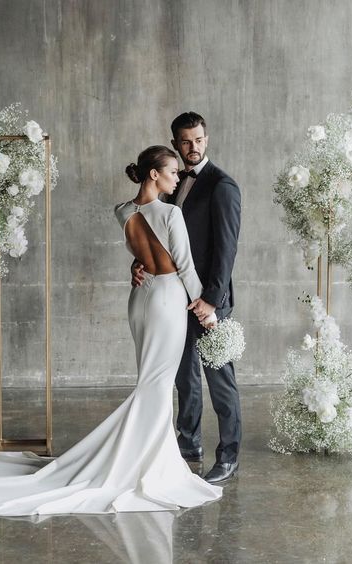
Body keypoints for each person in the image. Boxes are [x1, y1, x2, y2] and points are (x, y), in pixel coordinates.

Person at [0, 145, 222, 516]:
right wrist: (207, 311)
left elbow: (141, 255)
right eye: (172, 171)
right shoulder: (171, 213)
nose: (178, 177)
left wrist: (136, 267)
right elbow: (185, 267)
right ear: (154, 174)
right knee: (156, 385)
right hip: (168, 298)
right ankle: (143, 468)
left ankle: (145, 459)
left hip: (140, 300)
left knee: (149, 382)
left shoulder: (122, 211)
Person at [132, 112, 242, 483]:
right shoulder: (172, 181)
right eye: (184, 141)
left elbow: (226, 250)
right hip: (175, 299)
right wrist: (142, 263)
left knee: (219, 380)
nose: (192, 148)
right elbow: (164, 238)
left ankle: (228, 456)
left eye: (197, 140)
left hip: (209, 299)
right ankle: (188, 443)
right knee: (184, 378)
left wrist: (211, 299)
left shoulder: (222, 185)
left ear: (206, 140)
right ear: (175, 143)